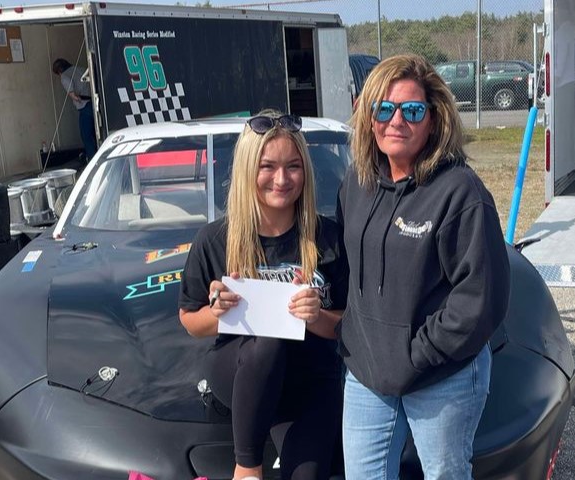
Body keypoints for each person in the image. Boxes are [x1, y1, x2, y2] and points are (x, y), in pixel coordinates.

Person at [337, 54, 511, 479]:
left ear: (433, 120)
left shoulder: (460, 192)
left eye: (412, 110)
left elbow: (481, 299)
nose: (397, 120)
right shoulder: (356, 182)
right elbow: (343, 262)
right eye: (385, 108)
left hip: (439, 374)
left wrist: (417, 354)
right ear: (368, 116)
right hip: (367, 373)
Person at [178, 111, 348, 480]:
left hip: (311, 381)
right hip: (243, 372)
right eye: (267, 166)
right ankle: (247, 467)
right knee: (268, 340)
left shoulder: (330, 237)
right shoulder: (215, 239)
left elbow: (349, 325)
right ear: (246, 170)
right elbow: (191, 322)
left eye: (293, 166)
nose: (282, 179)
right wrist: (218, 311)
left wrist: (318, 316)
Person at [52, 58, 97, 162]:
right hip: (95, 102)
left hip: (84, 105)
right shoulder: (81, 69)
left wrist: (75, 98)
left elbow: (72, 92)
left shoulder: (64, 76)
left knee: (86, 135)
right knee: (96, 132)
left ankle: (93, 161)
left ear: (59, 71)